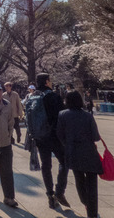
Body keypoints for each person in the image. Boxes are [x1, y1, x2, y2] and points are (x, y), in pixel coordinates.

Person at [57, 90, 103, 218]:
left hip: (73, 151)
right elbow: (95, 136)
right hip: (89, 151)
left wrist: (67, 144)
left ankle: (85, 201)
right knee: (92, 183)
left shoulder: (62, 115)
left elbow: (59, 134)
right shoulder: (88, 115)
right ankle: (92, 212)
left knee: (79, 179)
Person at [30, 73, 69, 209]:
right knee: (64, 161)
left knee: (46, 166)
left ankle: (50, 195)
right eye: (50, 80)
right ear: (47, 82)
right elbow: (62, 115)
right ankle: (59, 190)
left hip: (40, 136)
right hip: (54, 135)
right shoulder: (52, 96)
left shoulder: (32, 96)